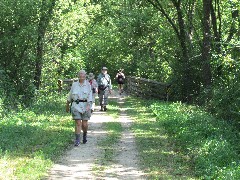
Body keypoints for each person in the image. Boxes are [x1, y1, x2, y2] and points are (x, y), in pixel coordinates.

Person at [66, 70, 92, 146]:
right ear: (78, 76)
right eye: (80, 74)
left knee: (84, 124)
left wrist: (89, 105)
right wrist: (67, 105)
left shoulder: (88, 85)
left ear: (85, 76)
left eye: (83, 75)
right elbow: (70, 95)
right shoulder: (74, 84)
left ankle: (84, 135)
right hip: (76, 106)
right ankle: (77, 140)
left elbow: (90, 96)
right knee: (78, 123)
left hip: (85, 105)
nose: (81, 76)